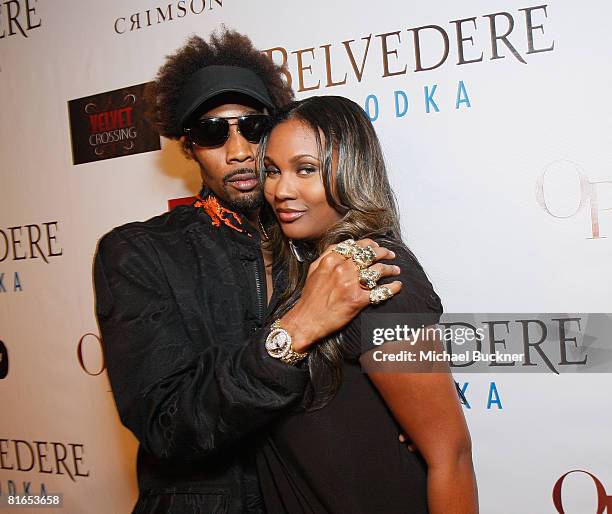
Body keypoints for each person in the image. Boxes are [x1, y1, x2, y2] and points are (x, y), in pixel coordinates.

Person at [93, 32, 401, 513]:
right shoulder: (139, 253)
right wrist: (294, 330)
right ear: (188, 147)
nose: (238, 151)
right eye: (213, 132)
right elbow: (167, 424)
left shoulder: (316, 241)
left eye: (253, 127)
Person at [256, 95, 479, 513]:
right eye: (272, 171)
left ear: (352, 171)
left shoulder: (379, 274)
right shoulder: (301, 270)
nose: (281, 190)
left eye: (306, 169)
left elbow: (450, 456)